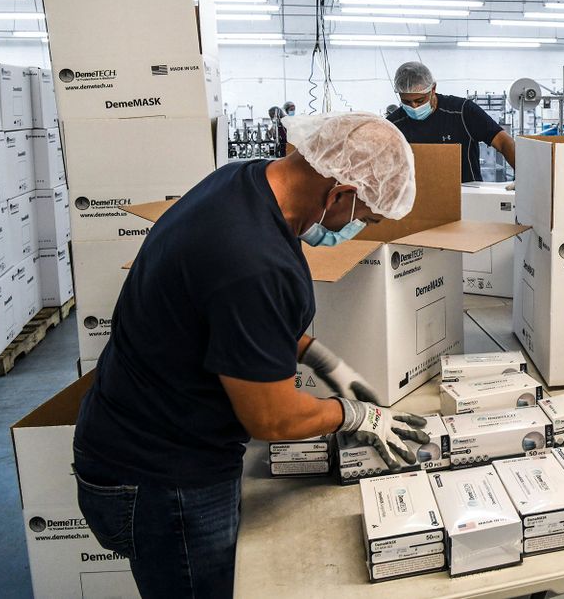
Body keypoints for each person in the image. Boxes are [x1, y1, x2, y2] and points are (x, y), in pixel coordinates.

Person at [72, 113, 430, 597]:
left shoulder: (243, 181)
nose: (356, 230)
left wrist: (321, 359)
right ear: (339, 193)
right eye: (364, 219)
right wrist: (355, 415)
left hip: (129, 442)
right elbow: (273, 420)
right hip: (162, 479)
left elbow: (229, 319)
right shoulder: (253, 260)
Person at [387, 61, 515, 183]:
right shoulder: (393, 125)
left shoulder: (462, 112)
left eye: (420, 100)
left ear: (433, 89)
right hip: (416, 197)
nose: (414, 107)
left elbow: (503, 141)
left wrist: (523, 177)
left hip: (466, 194)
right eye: (406, 102)